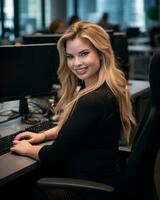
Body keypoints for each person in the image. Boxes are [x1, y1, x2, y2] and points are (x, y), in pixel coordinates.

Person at [10, 21, 136, 200]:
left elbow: (53, 156)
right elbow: (75, 128)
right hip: (104, 178)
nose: (76, 63)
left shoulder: (93, 100)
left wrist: (27, 149)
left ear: (102, 53)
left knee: (16, 187)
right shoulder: (108, 89)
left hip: (88, 189)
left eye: (84, 54)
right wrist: (43, 136)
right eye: (70, 56)